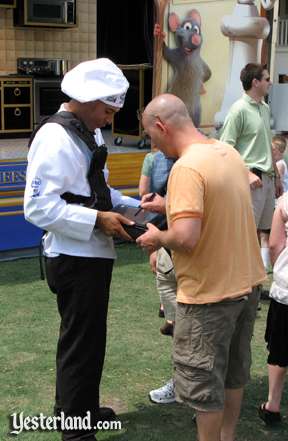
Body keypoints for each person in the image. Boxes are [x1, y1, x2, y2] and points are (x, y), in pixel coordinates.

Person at [137, 93, 266, 441]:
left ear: (162, 127)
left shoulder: (187, 167)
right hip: (247, 286)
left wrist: (157, 238)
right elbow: (217, 208)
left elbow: (186, 238)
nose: (153, 144)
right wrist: (170, 205)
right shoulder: (228, 153)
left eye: (151, 135)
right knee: (234, 374)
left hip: (209, 295)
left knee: (203, 384)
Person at [24, 58, 140, 441]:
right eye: (107, 110)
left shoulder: (86, 132)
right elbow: (38, 207)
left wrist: (135, 204)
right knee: (80, 345)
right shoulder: (56, 138)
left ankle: (82, 410)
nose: (109, 119)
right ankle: (75, 428)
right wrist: (98, 221)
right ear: (88, 100)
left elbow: (95, 191)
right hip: (75, 257)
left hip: (89, 253)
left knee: (89, 341)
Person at [258, 193, 288, 426]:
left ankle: (273, 405)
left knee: (279, 349)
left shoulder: (285, 201)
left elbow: (276, 244)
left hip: (287, 290)